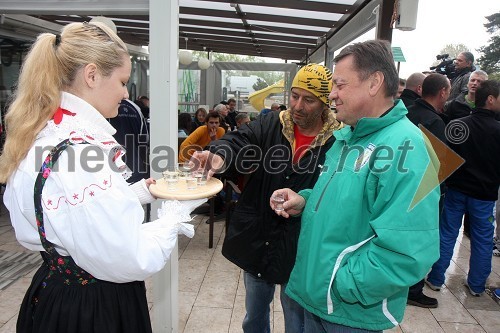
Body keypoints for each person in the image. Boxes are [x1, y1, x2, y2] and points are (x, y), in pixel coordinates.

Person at [0, 21, 204, 333]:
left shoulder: (44, 133)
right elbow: (128, 257)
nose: (126, 93)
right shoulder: (82, 154)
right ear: (92, 75)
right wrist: (176, 213)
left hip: (53, 292)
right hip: (93, 308)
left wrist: (137, 193)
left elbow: (54, 215)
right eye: (123, 81)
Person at [272, 40, 440, 332]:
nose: (332, 94)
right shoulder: (348, 136)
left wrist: (341, 284)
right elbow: (348, 204)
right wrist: (305, 201)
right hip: (315, 296)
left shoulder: (409, 147)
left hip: (349, 313)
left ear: (374, 82)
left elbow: (410, 249)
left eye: (339, 84)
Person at [191, 63, 342, 333]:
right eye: (294, 96)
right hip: (259, 236)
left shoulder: (337, 139)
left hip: (299, 245)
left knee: (297, 322)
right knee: (254, 319)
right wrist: (219, 154)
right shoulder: (272, 123)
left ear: (323, 103)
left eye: (308, 100)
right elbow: (239, 140)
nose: (297, 105)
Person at [426, 80, 500, 297]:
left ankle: (436, 278)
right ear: (490, 99)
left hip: (456, 190)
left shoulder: (458, 125)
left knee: (447, 233)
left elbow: (444, 157)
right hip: (484, 196)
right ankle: (477, 285)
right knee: (482, 238)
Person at [405, 73, 451, 308]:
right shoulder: (435, 122)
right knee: (420, 240)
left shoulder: (407, 112)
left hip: (401, 188)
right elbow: (439, 165)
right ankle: (413, 289)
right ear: (443, 92)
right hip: (424, 192)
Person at [108, 99, 150, 184]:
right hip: (135, 166)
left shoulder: (103, 107)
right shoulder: (134, 108)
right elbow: (144, 139)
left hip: (112, 170)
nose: (126, 93)